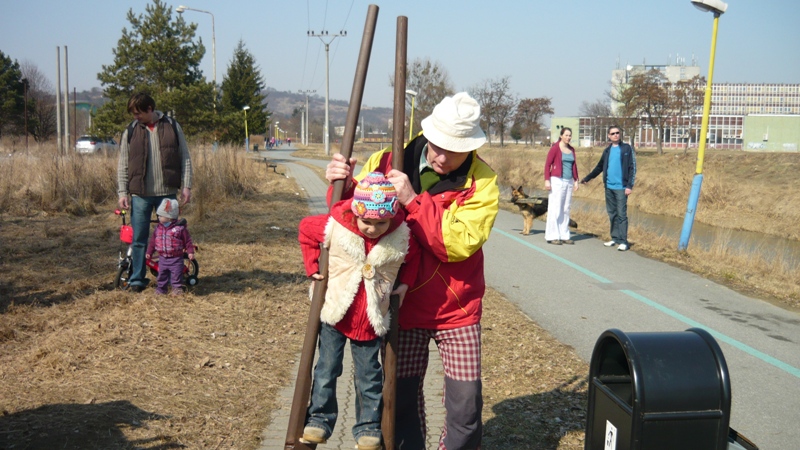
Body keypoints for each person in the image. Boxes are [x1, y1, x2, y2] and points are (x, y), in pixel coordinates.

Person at [325, 92, 499, 449]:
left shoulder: (483, 182)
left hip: (458, 312)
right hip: (400, 306)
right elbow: (352, 218)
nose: (441, 156)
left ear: (471, 147)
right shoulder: (387, 160)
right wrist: (339, 183)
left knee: (465, 409)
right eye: (437, 145)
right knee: (399, 402)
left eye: (453, 149)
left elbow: (454, 244)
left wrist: (411, 202)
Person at [299, 172, 420, 450]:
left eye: (381, 223)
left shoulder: (400, 234)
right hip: (336, 313)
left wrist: (405, 284)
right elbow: (306, 229)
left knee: (369, 376)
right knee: (327, 369)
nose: (373, 229)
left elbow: (414, 257)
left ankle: (367, 427)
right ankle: (319, 419)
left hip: (370, 318)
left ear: (391, 217)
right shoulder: (338, 224)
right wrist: (313, 268)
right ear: (356, 213)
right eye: (367, 222)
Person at [117, 92, 193, 292]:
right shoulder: (131, 131)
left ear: (150, 109)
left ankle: (171, 279)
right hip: (140, 195)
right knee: (139, 240)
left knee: (171, 240)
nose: (135, 117)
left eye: (138, 113)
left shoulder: (172, 127)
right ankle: (137, 281)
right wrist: (122, 192)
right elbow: (123, 164)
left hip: (166, 193)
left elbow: (184, 157)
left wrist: (186, 185)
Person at [580, 125, 637, 251]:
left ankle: (623, 241)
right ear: (609, 136)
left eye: (617, 133)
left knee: (622, 214)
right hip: (609, 187)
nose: (616, 135)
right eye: (613, 133)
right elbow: (599, 167)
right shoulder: (607, 151)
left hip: (621, 187)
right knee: (612, 214)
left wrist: (629, 186)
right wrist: (587, 178)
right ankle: (615, 238)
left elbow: (633, 168)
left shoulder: (627, 148)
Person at [145, 198, 195, 295]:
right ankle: (161, 289)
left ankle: (176, 289)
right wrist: (149, 252)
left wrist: (190, 252)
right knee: (162, 275)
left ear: (169, 217)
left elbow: (187, 241)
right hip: (162, 258)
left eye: (161, 215)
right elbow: (153, 242)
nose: (158, 217)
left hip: (176, 258)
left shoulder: (179, 229)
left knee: (176, 274)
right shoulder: (158, 229)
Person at [544, 127, 579, 245]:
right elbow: (547, 164)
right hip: (557, 180)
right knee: (555, 207)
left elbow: (574, 166)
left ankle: (564, 234)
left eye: (570, 135)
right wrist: (547, 180)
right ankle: (553, 235)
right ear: (561, 136)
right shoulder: (555, 148)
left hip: (568, 180)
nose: (568, 137)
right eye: (566, 135)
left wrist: (576, 180)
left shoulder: (572, 150)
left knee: (565, 208)